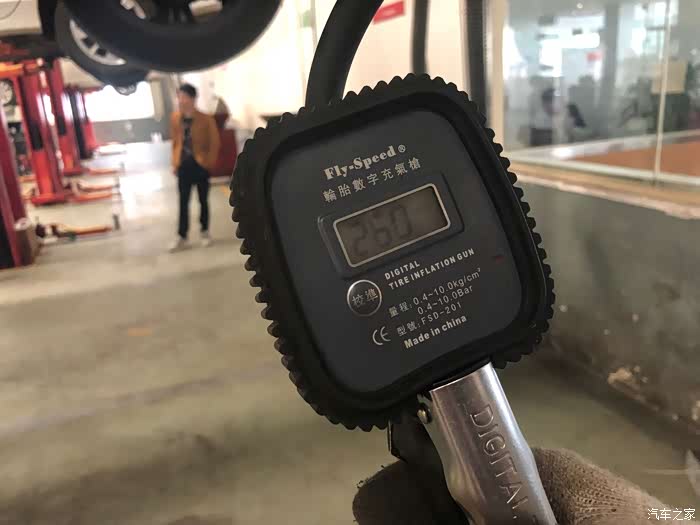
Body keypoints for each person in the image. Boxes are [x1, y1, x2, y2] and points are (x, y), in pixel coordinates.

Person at [169, 83, 220, 252]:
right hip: (183, 165)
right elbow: (175, 142)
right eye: (179, 97)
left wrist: (208, 163)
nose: (181, 100)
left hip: (200, 165)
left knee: (203, 200)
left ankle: (205, 231)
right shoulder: (175, 118)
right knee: (183, 202)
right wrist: (174, 163)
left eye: (184, 97)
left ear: (192, 99)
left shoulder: (206, 119)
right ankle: (182, 236)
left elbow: (214, 143)